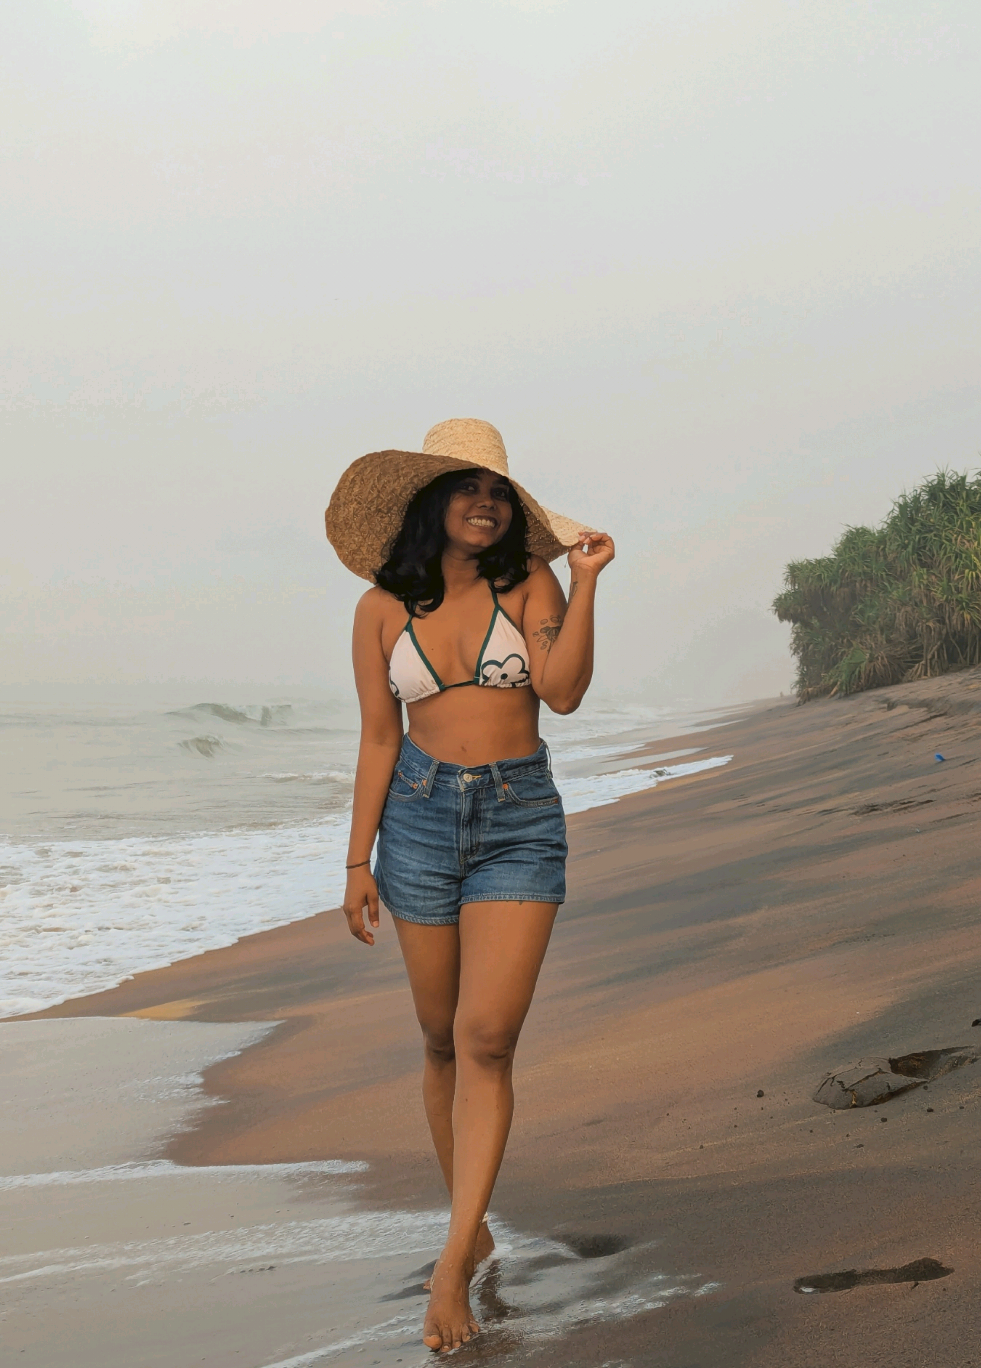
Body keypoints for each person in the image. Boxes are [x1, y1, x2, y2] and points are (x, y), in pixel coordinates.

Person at [325, 419, 615, 1353]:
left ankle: (452, 1266)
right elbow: (378, 737)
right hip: (413, 815)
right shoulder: (378, 609)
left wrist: (585, 581)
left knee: (488, 1037)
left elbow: (562, 694)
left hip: (518, 819)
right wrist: (357, 859)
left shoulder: (527, 583)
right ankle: (473, 1221)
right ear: (432, 505)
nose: (485, 505)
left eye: (498, 493)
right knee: (440, 1039)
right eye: (466, 490)